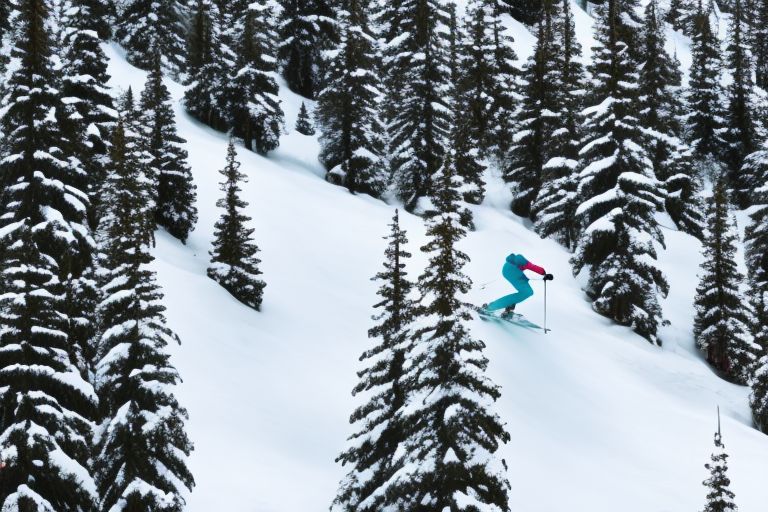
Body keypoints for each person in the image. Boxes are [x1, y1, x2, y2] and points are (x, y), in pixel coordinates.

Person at [482, 253, 553, 317]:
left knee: (526, 292)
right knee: (527, 292)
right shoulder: (523, 264)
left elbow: (532, 267)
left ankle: (508, 307)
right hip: (512, 272)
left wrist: (543, 273)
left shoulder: (522, 262)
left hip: (509, 269)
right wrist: (543, 275)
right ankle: (491, 308)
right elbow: (531, 271)